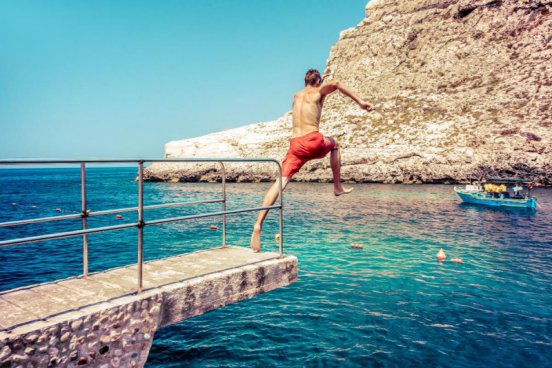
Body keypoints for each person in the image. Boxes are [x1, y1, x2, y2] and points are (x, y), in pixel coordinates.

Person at [250, 69, 373, 252]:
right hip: (312, 141)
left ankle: (258, 224)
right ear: (318, 82)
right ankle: (337, 187)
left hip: (295, 145)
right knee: (335, 144)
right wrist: (361, 102)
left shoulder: (296, 95)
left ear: (305, 81)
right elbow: (337, 84)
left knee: (279, 183)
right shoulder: (318, 92)